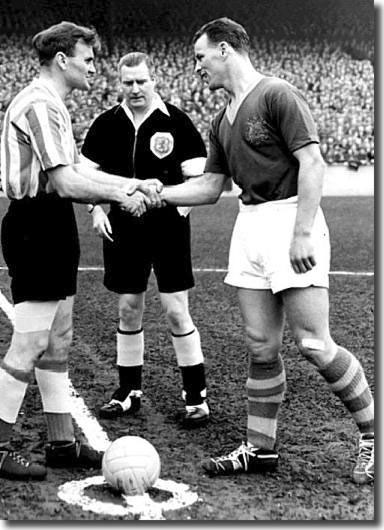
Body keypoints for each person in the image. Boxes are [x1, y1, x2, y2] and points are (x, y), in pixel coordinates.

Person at [159, 17, 374, 484]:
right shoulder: (220, 119)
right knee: (261, 346)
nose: (196, 67)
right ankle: (259, 449)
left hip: (292, 217)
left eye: (200, 56)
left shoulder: (277, 94)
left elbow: (312, 161)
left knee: (314, 343)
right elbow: (211, 187)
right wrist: (154, 192)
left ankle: (373, 435)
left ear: (225, 50)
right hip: (250, 225)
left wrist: (301, 234)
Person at [0, 22, 161, 481]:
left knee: (59, 340)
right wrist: (124, 188)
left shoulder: (54, 105)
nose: (94, 66)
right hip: (35, 225)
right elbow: (67, 181)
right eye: (87, 59)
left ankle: (62, 444)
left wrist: (126, 184)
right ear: (62, 60)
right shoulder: (37, 104)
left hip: (53, 225)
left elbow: (72, 171)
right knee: (30, 341)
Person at [81, 52, 210, 427]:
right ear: (118, 83)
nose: (135, 89)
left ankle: (196, 397)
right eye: (128, 82)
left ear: (155, 80)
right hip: (123, 229)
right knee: (127, 307)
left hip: (168, 227)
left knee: (175, 309)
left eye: (142, 81)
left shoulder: (178, 123)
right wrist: (97, 210)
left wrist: (166, 202)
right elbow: (87, 176)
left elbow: (198, 181)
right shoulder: (105, 124)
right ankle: (128, 391)